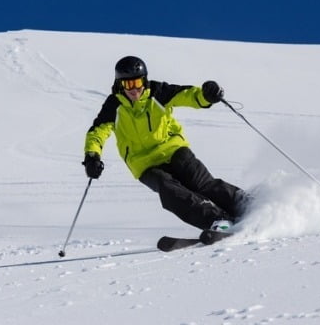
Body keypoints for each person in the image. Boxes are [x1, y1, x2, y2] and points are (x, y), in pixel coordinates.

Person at [83, 56, 249, 232]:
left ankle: (243, 203)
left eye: (137, 82)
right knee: (170, 191)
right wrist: (92, 155)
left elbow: (186, 96)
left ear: (144, 80)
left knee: (201, 183)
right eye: (128, 85)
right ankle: (216, 220)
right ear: (119, 84)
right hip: (144, 164)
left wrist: (205, 96)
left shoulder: (158, 92)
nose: (134, 89)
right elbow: (97, 132)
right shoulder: (114, 105)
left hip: (173, 149)